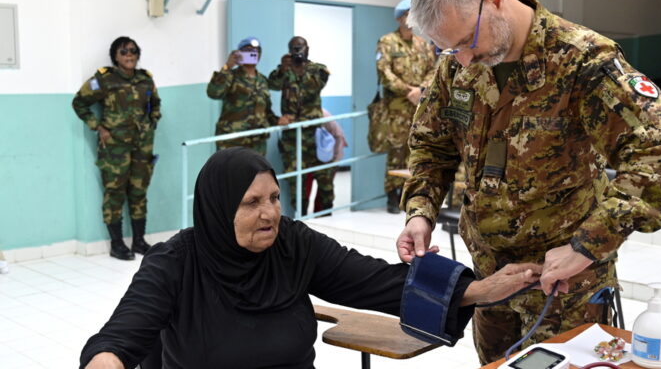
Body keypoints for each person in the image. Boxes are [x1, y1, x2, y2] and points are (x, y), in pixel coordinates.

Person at [398, 0, 661, 364]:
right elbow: (431, 144)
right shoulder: (458, 63)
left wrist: (587, 245)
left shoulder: (583, 59)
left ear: (495, 1)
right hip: (491, 276)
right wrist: (420, 211)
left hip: (565, 282)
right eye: (447, 50)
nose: (463, 60)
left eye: (465, 43)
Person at [79, 148, 541, 369]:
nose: (270, 213)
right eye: (251, 203)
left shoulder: (293, 246)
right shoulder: (175, 261)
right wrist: (106, 361)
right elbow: (119, 339)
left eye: (275, 198)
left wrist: (476, 290)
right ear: (218, 208)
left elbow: (374, 280)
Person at [72, 36, 162, 261]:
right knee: (114, 194)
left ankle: (139, 241)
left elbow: (156, 104)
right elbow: (79, 103)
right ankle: (117, 244)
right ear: (115, 56)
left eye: (132, 51)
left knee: (139, 192)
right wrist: (98, 128)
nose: (129, 55)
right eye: (123, 52)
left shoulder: (145, 79)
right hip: (114, 148)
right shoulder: (104, 79)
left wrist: (153, 121)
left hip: (142, 146)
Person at [376, 0, 437, 213]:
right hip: (396, 109)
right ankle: (392, 197)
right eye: (406, 16)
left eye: (413, 16)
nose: (410, 21)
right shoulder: (387, 41)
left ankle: (411, 196)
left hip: (419, 107)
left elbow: (433, 70)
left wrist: (420, 90)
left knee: (418, 151)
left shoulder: (423, 44)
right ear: (399, 18)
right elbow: (385, 72)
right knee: (396, 151)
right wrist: (407, 91)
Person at [268, 36, 333, 215]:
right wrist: (282, 68)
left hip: (314, 134)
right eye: (294, 48)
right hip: (292, 136)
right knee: (297, 182)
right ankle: (302, 216)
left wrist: (302, 66)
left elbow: (319, 84)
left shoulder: (318, 69)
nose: (298, 52)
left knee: (325, 178)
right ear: (289, 50)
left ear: (307, 49)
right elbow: (271, 84)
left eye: (301, 48)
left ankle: (326, 214)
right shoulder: (284, 71)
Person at [207, 36, 284, 154]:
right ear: (239, 54)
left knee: (256, 172)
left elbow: (266, 111)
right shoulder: (230, 76)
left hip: (257, 142)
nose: (252, 53)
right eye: (247, 51)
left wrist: (278, 121)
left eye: (255, 51)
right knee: (231, 172)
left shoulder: (262, 80)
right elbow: (213, 93)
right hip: (232, 142)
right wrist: (227, 67)